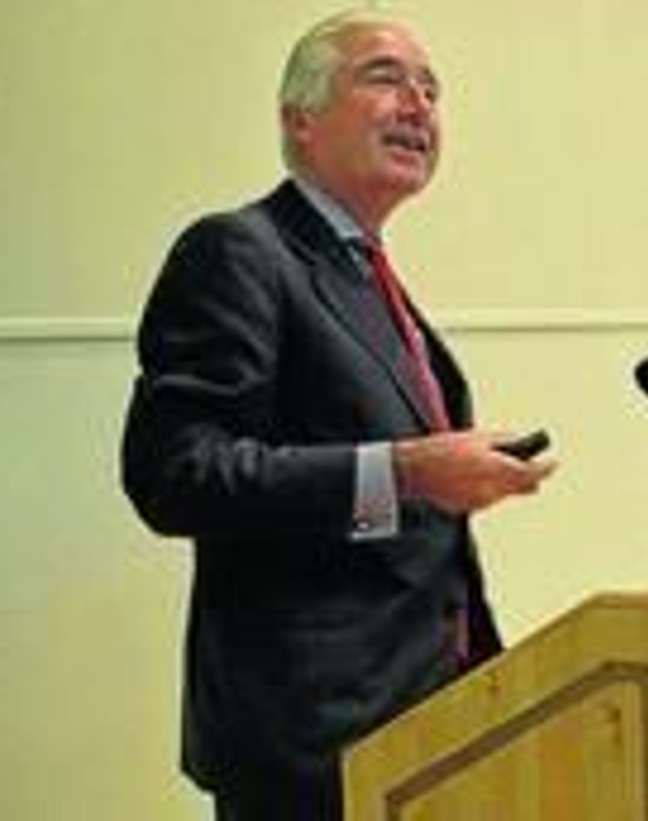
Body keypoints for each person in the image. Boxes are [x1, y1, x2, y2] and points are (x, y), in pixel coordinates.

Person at [119, 11, 556, 819]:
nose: (419, 106)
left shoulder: (364, 274)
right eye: (386, 78)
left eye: (432, 89)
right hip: (310, 744)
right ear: (300, 117)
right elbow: (175, 473)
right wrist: (406, 472)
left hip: (430, 716)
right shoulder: (239, 252)